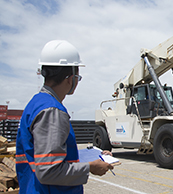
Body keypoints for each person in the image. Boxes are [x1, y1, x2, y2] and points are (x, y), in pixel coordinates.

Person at [15, 40, 113, 194]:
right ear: (70, 78)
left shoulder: (36, 104)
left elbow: (46, 155)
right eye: (78, 78)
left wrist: (92, 157)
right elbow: (49, 171)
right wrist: (90, 167)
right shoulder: (52, 111)